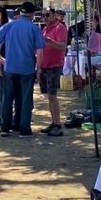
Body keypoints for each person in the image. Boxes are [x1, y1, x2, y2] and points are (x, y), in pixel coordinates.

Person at [0, 2, 44, 138]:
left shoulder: (10, 25)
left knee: (7, 98)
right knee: (26, 98)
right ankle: (24, 129)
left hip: (10, 67)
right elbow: (40, 50)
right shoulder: (34, 28)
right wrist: (39, 69)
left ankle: (4, 127)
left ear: (20, 13)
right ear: (32, 14)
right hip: (27, 68)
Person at [39, 9, 68, 137]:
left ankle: (57, 125)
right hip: (44, 66)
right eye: (42, 15)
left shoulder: (60, 28)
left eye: (47, 15)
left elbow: (62, 46)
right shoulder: (44, 29)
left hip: (54, 65)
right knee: (49, 96)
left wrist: (49, 41)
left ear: (54, 15)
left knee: (53, 96)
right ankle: (53, 122)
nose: (44, 17)